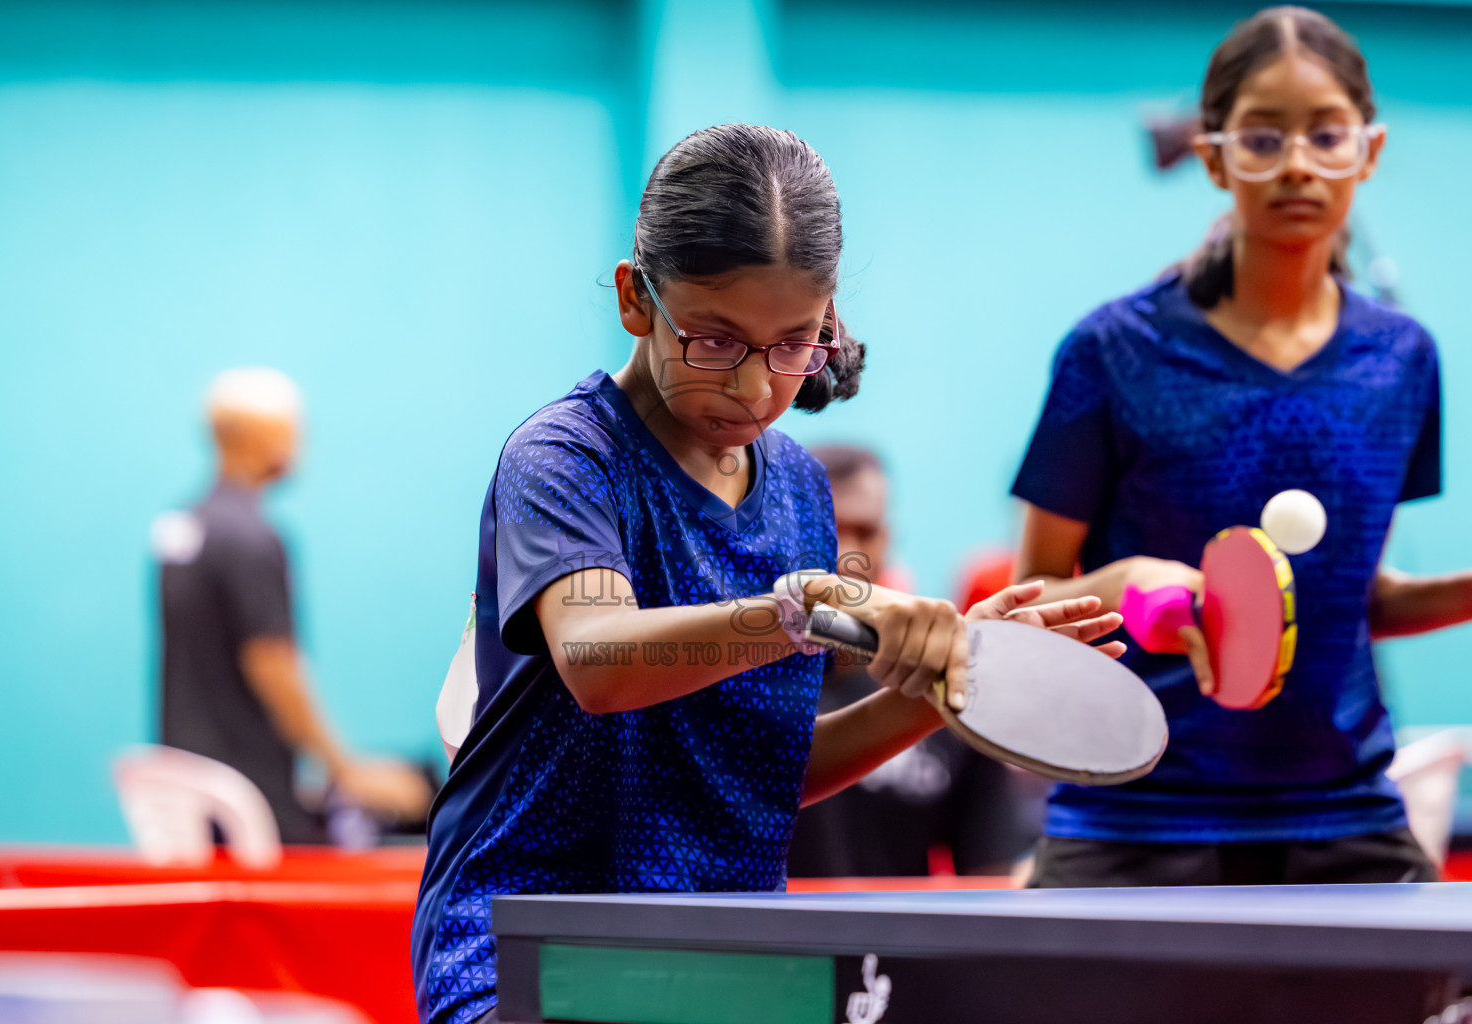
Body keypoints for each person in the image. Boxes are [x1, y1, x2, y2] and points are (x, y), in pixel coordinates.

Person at [411, 124, 1120, 1024]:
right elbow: (599, 660)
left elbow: (759, 769)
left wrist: (945, 690)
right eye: (713, 341)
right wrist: (801, 607)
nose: (755, 388)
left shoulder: (798, 488)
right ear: (636, 299)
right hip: (536, 943)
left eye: (795, 344)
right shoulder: (565, 459)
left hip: (727, 953)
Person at [1011, 7, 1472, 888]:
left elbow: (1353, 601)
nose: (1298, 163)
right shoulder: (1112, 351)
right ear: (1215, 156)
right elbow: (1031, 600)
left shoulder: (1402, 358)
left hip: (1345, 817)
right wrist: (1126, 589)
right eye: (1264, 137)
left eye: (1327, 135)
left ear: (1368, 151)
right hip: (1132, 816)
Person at [156, 367, 432, 844]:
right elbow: (273, 667)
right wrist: (348, 769)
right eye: (293, 427)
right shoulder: (253, 540)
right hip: (248, 800)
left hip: (185, 788)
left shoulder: (183, 530)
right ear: (261, 434)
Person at [787, 446, 1037, 877]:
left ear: (887, 539)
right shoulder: (730, 683)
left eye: (863, 531)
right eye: (825, 528)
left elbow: (988, 875)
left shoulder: (949, 684)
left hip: (898, 942)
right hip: (755, 940)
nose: (845, 552)